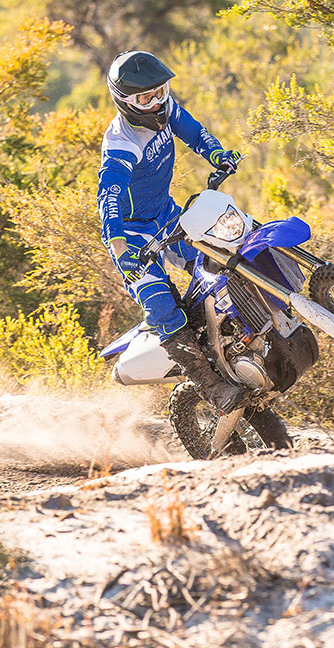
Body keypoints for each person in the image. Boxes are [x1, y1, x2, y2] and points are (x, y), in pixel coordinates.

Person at [97, 51, 245, 413]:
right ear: (125, 101)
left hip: (166, 215)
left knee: (221, 263)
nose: (156, 102)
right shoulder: (121, 143)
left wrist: (217, 155)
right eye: (145, 98)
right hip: (131, 236)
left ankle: (239, 342)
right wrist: (120, 249)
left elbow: (194, 132)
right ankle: (211, 387)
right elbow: (108, 197)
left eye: (160, 91)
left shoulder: (166, 110)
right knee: (163, 307)